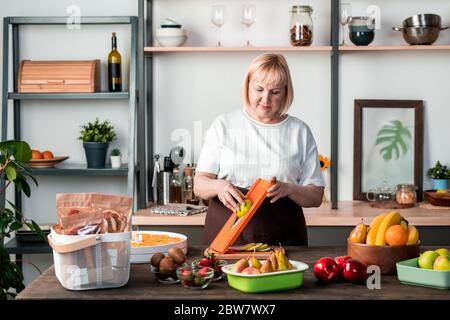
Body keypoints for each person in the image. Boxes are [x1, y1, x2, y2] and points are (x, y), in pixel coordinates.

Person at [194, 53, 324, 246]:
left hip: (283, 240)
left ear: (286, 92)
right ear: (247, 86)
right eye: (259, 89)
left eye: (275, 92)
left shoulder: (299, 131)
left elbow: (316, 196)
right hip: (225, 237)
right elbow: (199, 185)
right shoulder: (224, 125)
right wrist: (219, 186)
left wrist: (289, 188)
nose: (266, 99)